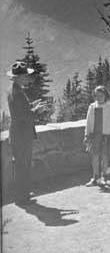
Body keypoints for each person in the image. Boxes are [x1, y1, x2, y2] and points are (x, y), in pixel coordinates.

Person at [7, 61, 47, 206]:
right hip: (22, 134)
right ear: (17, 77)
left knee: (21, 164)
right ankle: (21, 198)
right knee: (22, 165)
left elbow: (20, 110)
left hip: (19, 133)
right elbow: (24, 116)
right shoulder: (17, 93)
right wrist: (36, 110)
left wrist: (31, 106)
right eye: (25, 76)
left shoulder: (15, 90)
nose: (27, 78)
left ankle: (22, 194)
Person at [84, 85, 110, 187]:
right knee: (95, 157)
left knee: (104, 157)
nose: (99, 98)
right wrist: (86, 134)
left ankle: (104, 177)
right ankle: (95, 177)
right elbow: (88, 122)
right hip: (95, 136)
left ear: (105, 95)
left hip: (105, 136)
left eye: (101, 95)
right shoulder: (92, 107)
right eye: (97, 95)